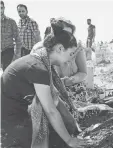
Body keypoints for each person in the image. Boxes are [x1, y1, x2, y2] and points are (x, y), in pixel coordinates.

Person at [1, 20, 90, 148]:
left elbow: (56, 101)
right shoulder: (39, 68)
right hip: (11, 120)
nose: (71, 58)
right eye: (70, 54)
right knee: (57, 142)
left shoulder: (40, 60)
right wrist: (70, 141)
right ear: (60, 48)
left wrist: (73, 127)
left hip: (17, 110)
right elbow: (51, 110)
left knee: (60, 132)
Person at [43, 17, 88, 102]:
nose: (67, 39)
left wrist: (72, 80)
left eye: (70, 35)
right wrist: (58, 83)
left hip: (75, 87)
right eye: (64, 34)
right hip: (53, 90)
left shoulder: (76, 47)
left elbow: (84, 72)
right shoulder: (45, 50)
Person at [1, 1, 22, 70]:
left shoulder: (11, 22)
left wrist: (17, 55)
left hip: (8, 51)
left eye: (1, 8)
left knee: (6, 74)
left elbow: (18, 39)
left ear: (4, 8)